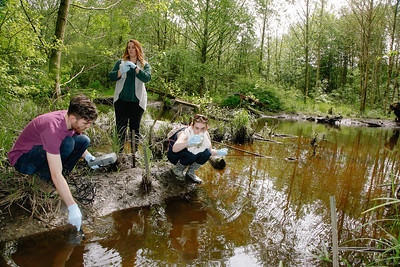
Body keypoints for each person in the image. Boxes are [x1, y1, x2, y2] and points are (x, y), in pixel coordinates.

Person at [8, 95, 99, 231]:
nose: (88, 126)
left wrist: (88, 157)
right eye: (86, 123)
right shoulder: (53, 129)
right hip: (23, 160)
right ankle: (43, 179)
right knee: (67, 144)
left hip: (39, 151)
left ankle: (64, 177)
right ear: (73, 118)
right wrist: (72, 206)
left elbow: (77, 138)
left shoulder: (69, 117)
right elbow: (56, 174)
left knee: (83, 140)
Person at [109, 39, 151, 153]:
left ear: (138, 49)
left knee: (134, 129)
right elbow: (111, 76)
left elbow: (147, 78)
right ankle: (118, 153)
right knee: (121, 129)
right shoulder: (120, 62)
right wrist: (121, 71)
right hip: (121, 101)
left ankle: (134, 154)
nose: (131, 49)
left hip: (137, 102)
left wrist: (136, 68)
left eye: (133, 47)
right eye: (129, 47)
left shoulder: (144, 64)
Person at [167, 114, 228, 184]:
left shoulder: (206, 135)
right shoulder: (184, 133)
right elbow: (175, 149)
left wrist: (218, 152)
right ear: (192, 126)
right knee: (191, 154)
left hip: (189, 156)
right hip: (175, 156)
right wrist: (188, 142)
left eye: (202, 128)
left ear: (207, 128)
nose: (199, 131)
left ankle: (190, 172)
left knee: (207, 153)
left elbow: (210, 151)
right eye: (197, 128)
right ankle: (178, 170)